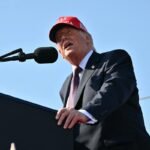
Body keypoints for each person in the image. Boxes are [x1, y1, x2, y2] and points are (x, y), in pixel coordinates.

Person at [49, 16, 150, 150]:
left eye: (68, 33)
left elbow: (114, 89)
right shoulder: (65, 87)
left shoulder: (114, 59)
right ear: (60, 52)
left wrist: (85, 113)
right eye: (59, 39)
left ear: (87, 38)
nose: (63, 39)